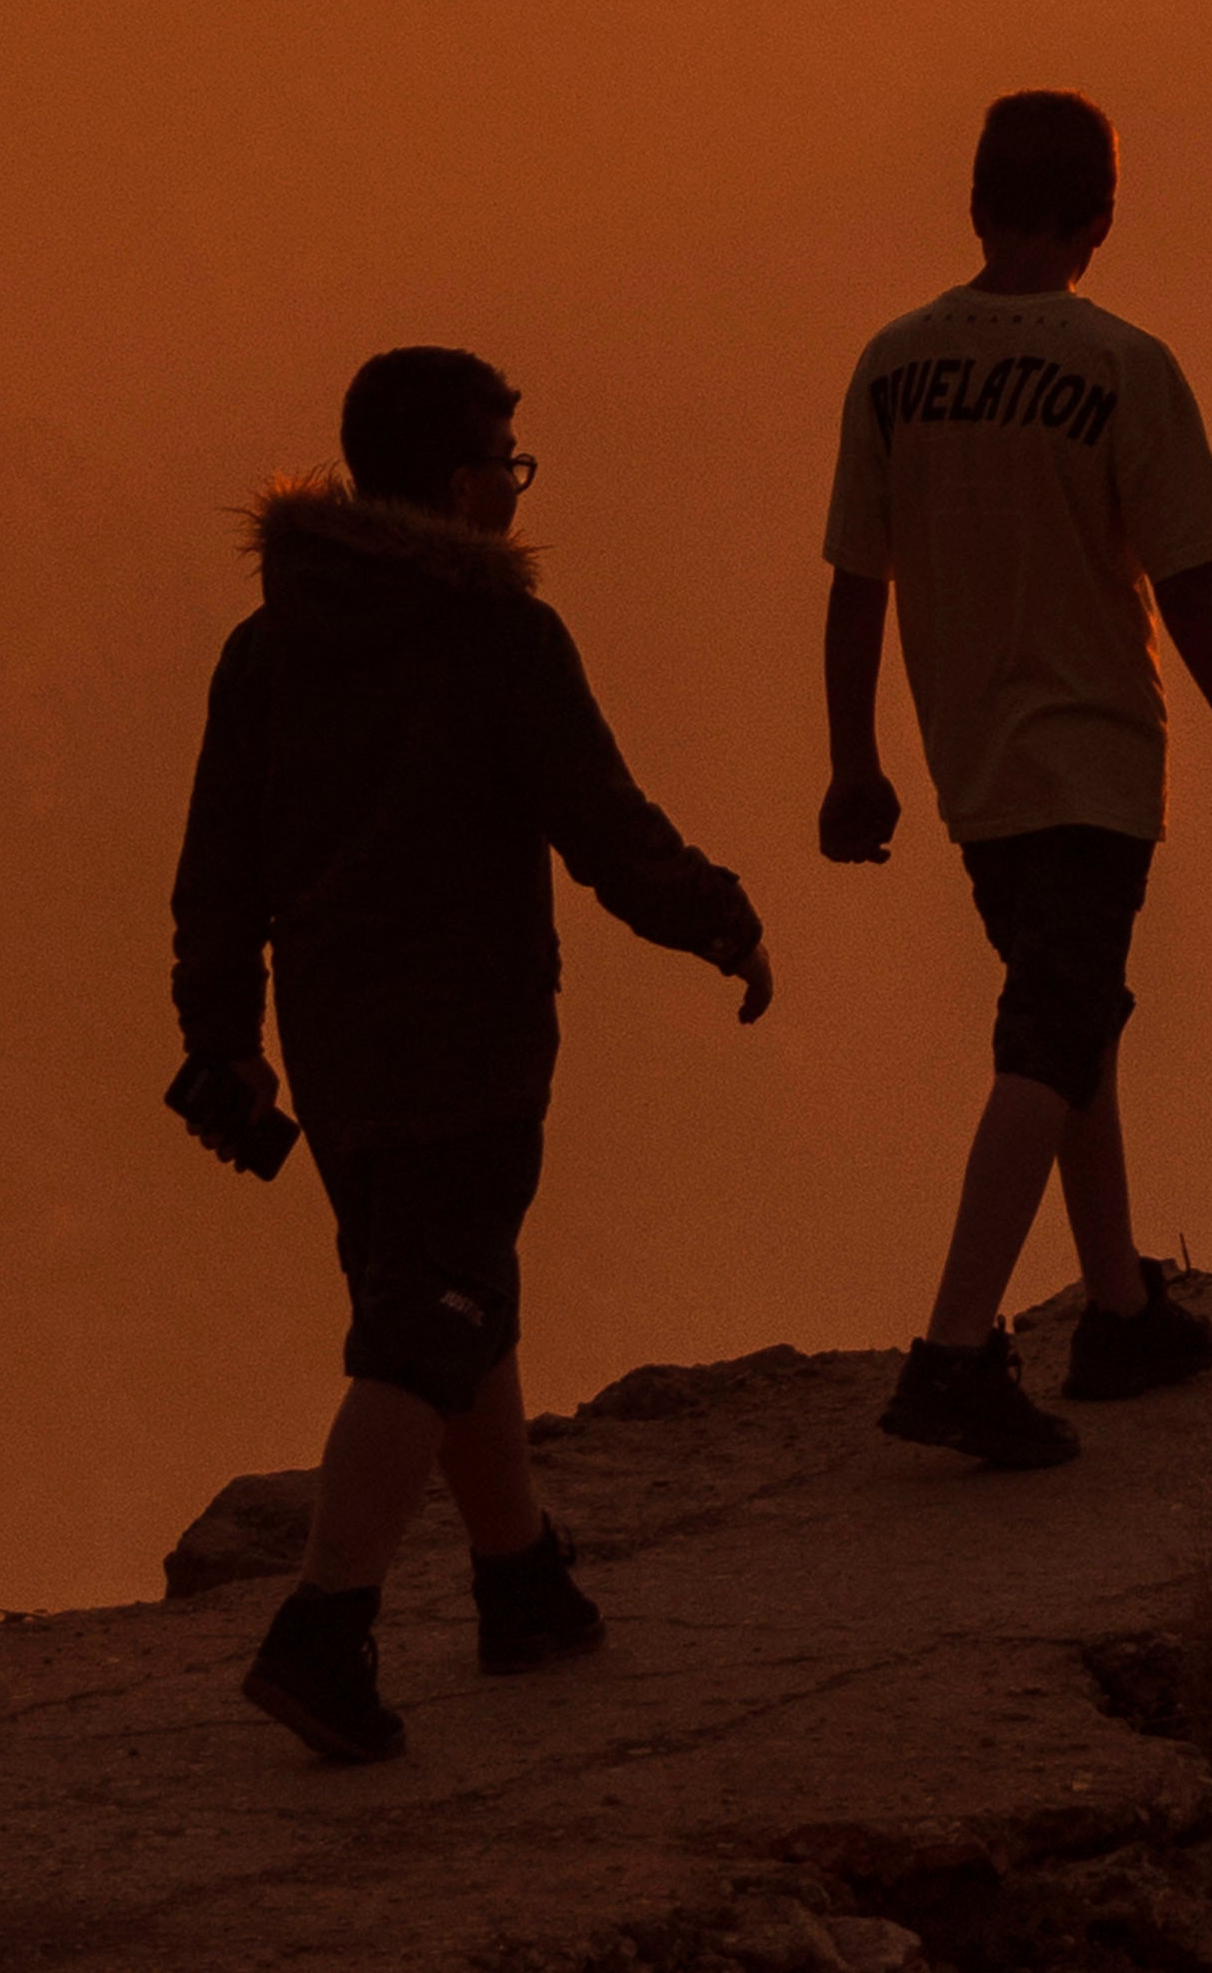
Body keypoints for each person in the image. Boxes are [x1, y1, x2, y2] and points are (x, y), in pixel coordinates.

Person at [168, 346, 773, 1766]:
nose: (515, 487)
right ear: (456, 483)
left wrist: (223, 1039)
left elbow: (217, 871)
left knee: (446, 1298)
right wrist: (720, 918)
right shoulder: (497, 638)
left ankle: (521, 1580)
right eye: (507, 461)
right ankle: (325, 1626)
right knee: (426, 1319)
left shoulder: (268, 646)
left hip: (336, 1048)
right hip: (472, 1037)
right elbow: (602, 823)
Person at [818, 91, 1212, 1474]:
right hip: (1092, 753)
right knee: (1049, 1031)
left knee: (1072, 1013)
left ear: (976, 205)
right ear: (1101, 217)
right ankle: (955, 1348)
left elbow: (857, 580)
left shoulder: (893, 365)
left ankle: (1119, 1311)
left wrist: (855, 759)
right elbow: (1189, 580)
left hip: (970, 760)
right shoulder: (1121, 365)